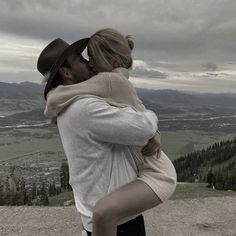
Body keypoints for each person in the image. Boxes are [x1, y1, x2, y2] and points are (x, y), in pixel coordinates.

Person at [43, 29, 177, 236]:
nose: (88, 63)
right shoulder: (84, 108)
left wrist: (152, 129)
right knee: (104, 213)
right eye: (80, 59)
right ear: (66, 72)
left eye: (90, 58)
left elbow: (142, 125)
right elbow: (144, 128)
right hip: (117, 221)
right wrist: (152, 124)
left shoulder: (72, 103)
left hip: (112, 213)